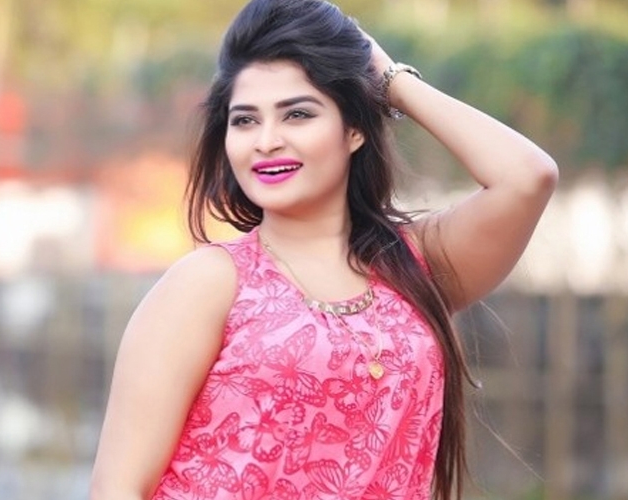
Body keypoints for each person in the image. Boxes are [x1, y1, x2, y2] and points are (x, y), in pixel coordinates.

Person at [89, 0, 558, 499]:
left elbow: (527, 177)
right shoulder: (209, 282)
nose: (266, 141)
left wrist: (390, 80)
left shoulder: (414, 265)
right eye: (245, 121)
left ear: (354, 128)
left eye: (297, 114)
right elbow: (117, 488)